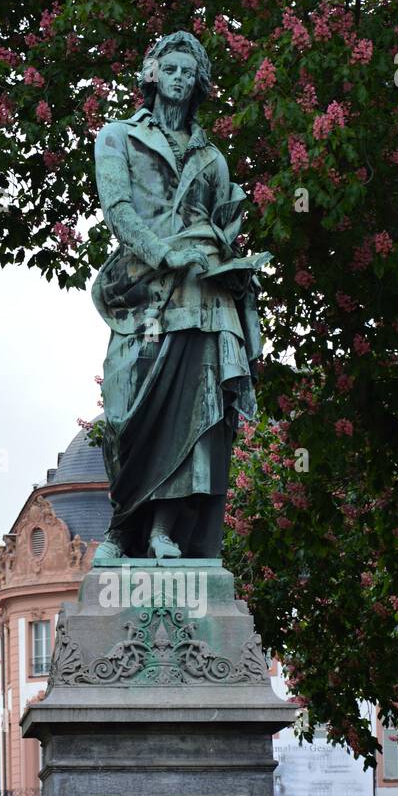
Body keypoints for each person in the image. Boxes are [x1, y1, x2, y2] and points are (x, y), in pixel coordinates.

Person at [91, 31, 268, 561]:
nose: (179, 79)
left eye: (188, 72)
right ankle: (123, 525)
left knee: (195, 412)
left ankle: (161, 532)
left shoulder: (212, 158)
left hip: (201, 293)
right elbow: (118, 211)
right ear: (152, 75)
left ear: (199, 83)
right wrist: (166, 254)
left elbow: (221, 227)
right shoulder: (117, 136)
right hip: (141, 290)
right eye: (169, 69)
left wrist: (232, 264)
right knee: (123, 407)